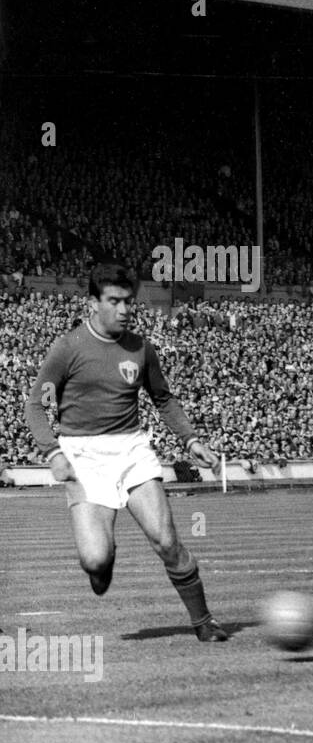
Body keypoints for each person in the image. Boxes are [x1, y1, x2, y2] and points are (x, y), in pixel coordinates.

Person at [22, 263, 225, 641]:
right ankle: (103, 562)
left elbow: (163, 399)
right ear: (92, 304)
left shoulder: (141, 348)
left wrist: (191, 439)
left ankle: (204, 622)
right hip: (82, 457)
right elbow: (34, 405)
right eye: (114, 301)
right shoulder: (68, 348)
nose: (124, 310)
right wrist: (53, 452)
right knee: (96, 560)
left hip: (132, 449)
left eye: (128, 301)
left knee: (166, 541)